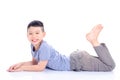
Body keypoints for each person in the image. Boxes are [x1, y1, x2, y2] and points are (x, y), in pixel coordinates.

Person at [7, 20, 115, 72]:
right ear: (27, 35)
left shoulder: (44, 47)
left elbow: (40, 67)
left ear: (43, 35)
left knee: (110, 66)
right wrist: (19, 64)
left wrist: (21, 69)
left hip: (77, 62)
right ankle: (93, 40)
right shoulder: (33, 46)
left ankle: (93, 40)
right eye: (30, 33)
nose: (33, 36)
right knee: (105, 63)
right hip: (77, 59)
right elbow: (35, 63)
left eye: (37, 33)